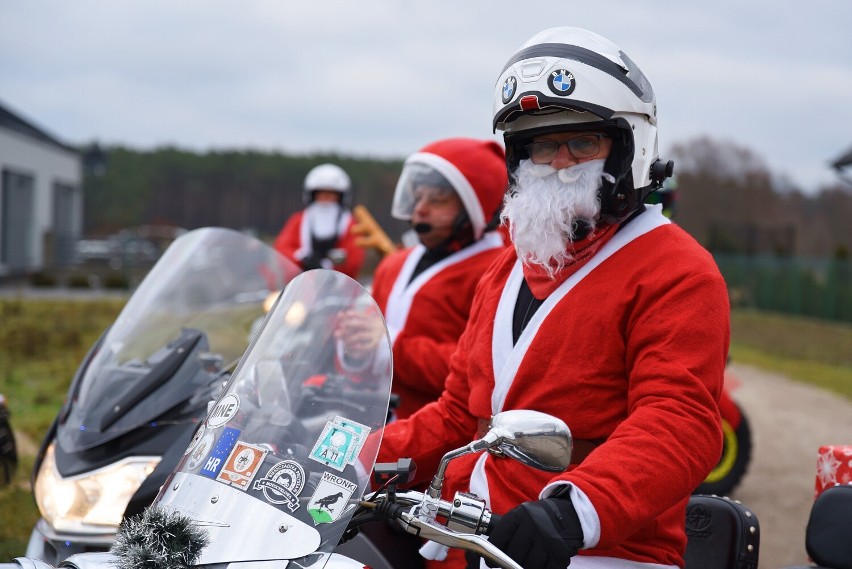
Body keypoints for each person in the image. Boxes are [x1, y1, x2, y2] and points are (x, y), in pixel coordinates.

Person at [374, 27, 730, 569]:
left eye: (582, 143)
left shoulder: (677, 269)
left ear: (628, 147)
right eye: (541, 145)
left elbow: (678, 420)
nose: (560, 162)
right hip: (466, 538)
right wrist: (347, 453)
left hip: (596, 548)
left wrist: (574, 510)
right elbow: (454, 416)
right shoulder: (507, 270)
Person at [337, 138, 508, 420]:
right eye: (418, 196)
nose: (421, 209)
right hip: (367, 420)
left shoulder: (497, 272)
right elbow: (367, 344)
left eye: (438, 199)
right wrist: (352, 346)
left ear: (476, 205)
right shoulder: (395, 263)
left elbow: (481, 372)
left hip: (438, 436)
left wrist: (389, 346)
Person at [274, 163, 365, 279]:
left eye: (331, 195)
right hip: (301, 286)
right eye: (321, 194)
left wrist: (327, 265)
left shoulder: (350, 224)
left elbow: (354, 259)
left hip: (340, 286)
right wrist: (302, 258)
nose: (325, 199)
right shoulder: (298, 221)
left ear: (341, 197)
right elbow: (282, 249)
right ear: (311, 196)